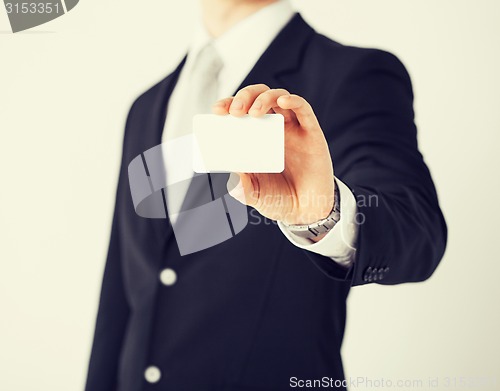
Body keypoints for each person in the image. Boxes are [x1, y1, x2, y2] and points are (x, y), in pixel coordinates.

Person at [85, 0, 447, 390]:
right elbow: (119, 297)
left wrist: (321, 213)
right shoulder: (145, 107)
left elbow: (417, 233)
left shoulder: (354, 75)